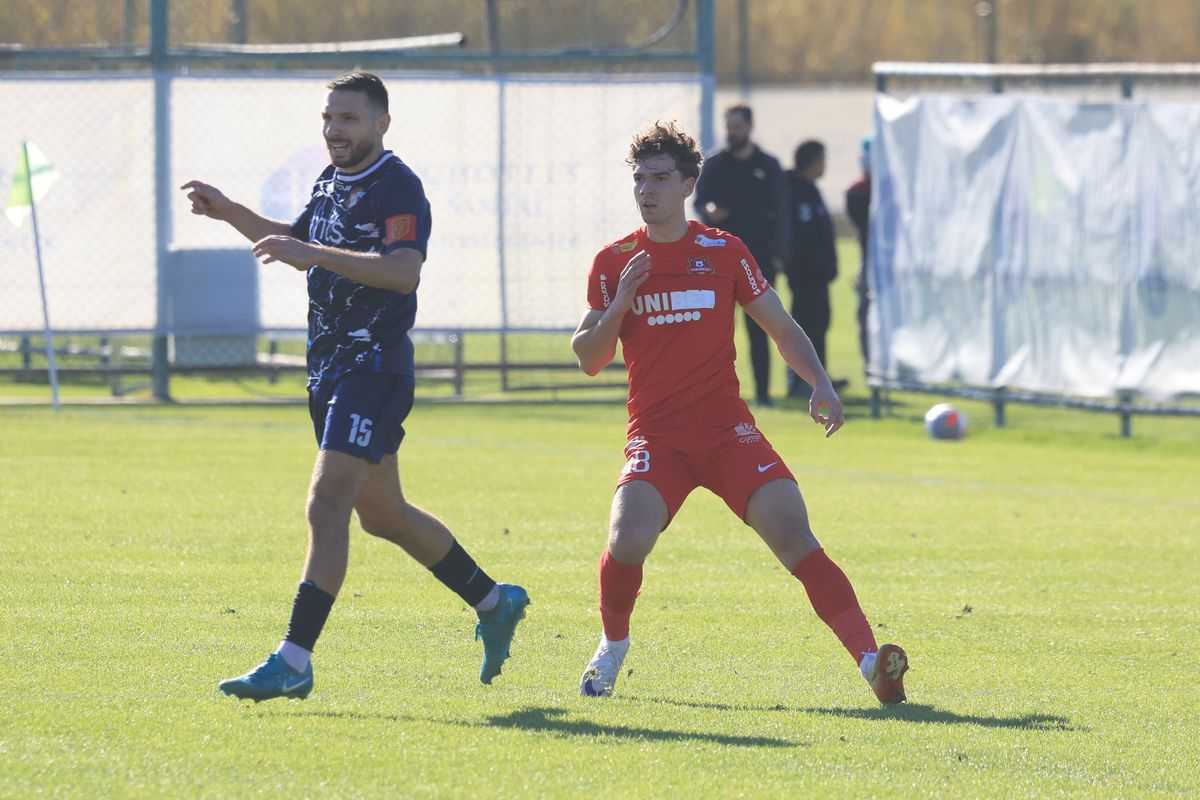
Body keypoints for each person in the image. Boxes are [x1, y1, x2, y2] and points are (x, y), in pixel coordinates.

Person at [181, 72, 529, 702]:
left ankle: (293, 658)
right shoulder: (330, 181)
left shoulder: (398, 185)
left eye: (348, 119)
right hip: (331, 367)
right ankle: (493, 599)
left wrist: (315, 255)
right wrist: (229, 210)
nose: (335, 129)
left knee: (326, 503)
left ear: (380, 125)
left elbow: (402, 273)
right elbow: (296, 241)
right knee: (383, 514)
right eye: (328, 117)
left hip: (373, 367)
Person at [570, 120, 908, 704]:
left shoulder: (723, 251)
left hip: (728, 434)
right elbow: (589, 358)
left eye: (660, 178)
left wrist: (822, 383)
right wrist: (621, 301)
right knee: (627, 539)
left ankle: (872, 662)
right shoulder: (615, 261)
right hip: (658, 438)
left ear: (688, 184)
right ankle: (612, 645)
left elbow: (780, 325)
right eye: (639, 179)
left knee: (794, 534)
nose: (646, 190)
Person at [693, 104, 790, 407]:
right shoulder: (716, 165)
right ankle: (712, 395)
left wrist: (780, 255)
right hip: (718, 261)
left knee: (761, 328)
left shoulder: (768, 165)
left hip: (759, 260)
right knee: (714, 330)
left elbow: (782, 212)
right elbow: (700, 203)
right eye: (728, 125)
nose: (731, 132)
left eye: (737, 126)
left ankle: (763, 394)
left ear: (749, 126)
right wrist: (709, 212)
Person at [786, 139, 845, 398]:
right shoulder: (796, 192)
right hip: (805, 274)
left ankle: (820, 378)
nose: (825, 164)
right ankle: (800, 382)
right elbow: (801, 236)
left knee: (820, 323)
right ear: (812, 161)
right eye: (822, 158)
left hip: (818, 274)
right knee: (805, 325)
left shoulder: (811, 190)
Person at [845, 135, 873, 371]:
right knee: (866, 311)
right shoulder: (858, 191)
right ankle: (871, 364)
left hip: (898, 264)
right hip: (870, 261)